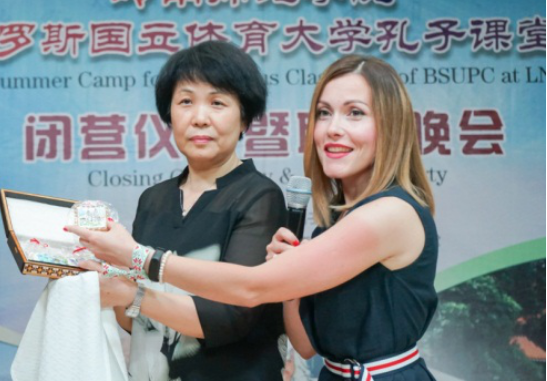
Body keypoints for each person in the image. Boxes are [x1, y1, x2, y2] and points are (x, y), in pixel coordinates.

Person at [69, 54, 438, 381]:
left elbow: (250, 290)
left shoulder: (389, 213)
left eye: (355, 112)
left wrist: (137, 258)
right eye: (324, 113)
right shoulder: (335, 223)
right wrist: (291, 281)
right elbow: (306, 345)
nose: (333, 128)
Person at [92, 41, 287, 381]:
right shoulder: (153, 199)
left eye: (217, 103)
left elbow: (231, 316)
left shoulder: (260, 196)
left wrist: (133, 294)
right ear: (169, 116)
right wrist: (102, 278)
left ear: (244, 118)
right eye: (185, 102)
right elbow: (136, 321)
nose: (199, 118)